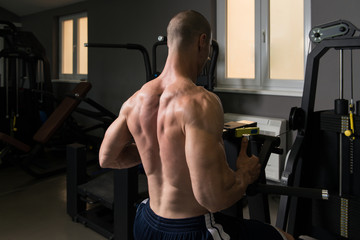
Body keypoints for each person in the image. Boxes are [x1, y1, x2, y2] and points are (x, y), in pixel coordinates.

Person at [99, 10, 294, 240]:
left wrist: (159, 147)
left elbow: (107, 158)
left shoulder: (135, 101)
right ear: (203, 42)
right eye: (209, 52)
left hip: (146, 222)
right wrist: (245, 174)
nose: (208, 59)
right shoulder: (200, 101)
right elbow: (213, 199)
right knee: (285, 237)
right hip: (191, 231)